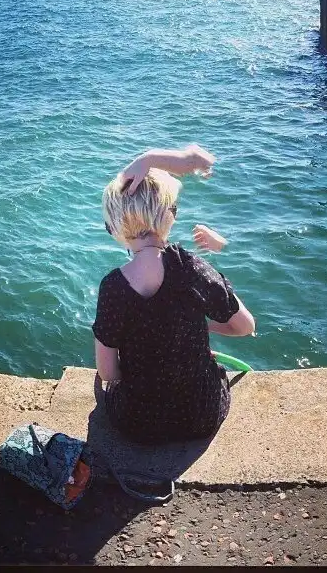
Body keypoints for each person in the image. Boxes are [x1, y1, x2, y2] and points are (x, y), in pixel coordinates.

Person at [92, 145, 256, 445]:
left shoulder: (113, 287)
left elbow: (108, 372)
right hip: (201, 415)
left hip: (136, 422)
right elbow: (246, 327)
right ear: (170, 216)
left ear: (115, 227)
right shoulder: (193, 268)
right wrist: (199, 326)